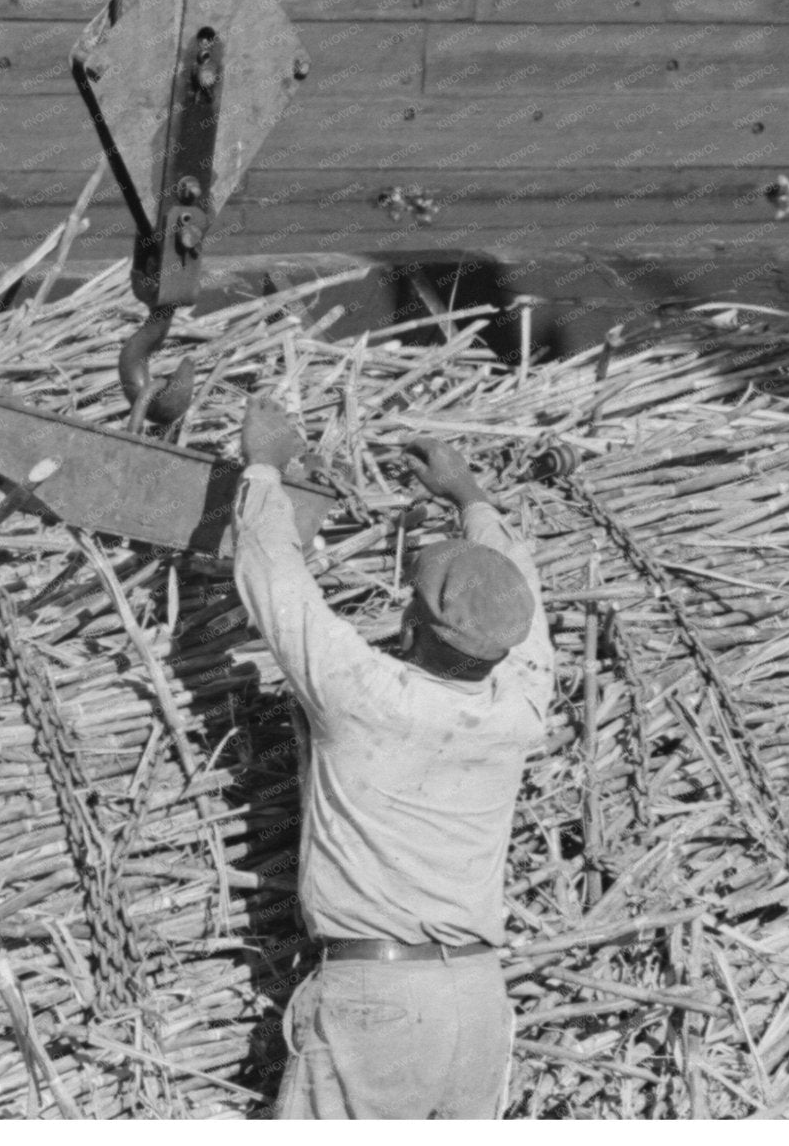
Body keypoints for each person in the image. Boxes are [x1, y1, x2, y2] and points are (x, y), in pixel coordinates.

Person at [231, 396, 555, 1120]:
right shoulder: (521, 708)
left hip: (381, 1001)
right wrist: (470, 494)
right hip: (478, 1003)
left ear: (410, 624)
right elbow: (522, 599)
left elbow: (274, 582)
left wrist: (262, 465)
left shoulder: (367, 697)